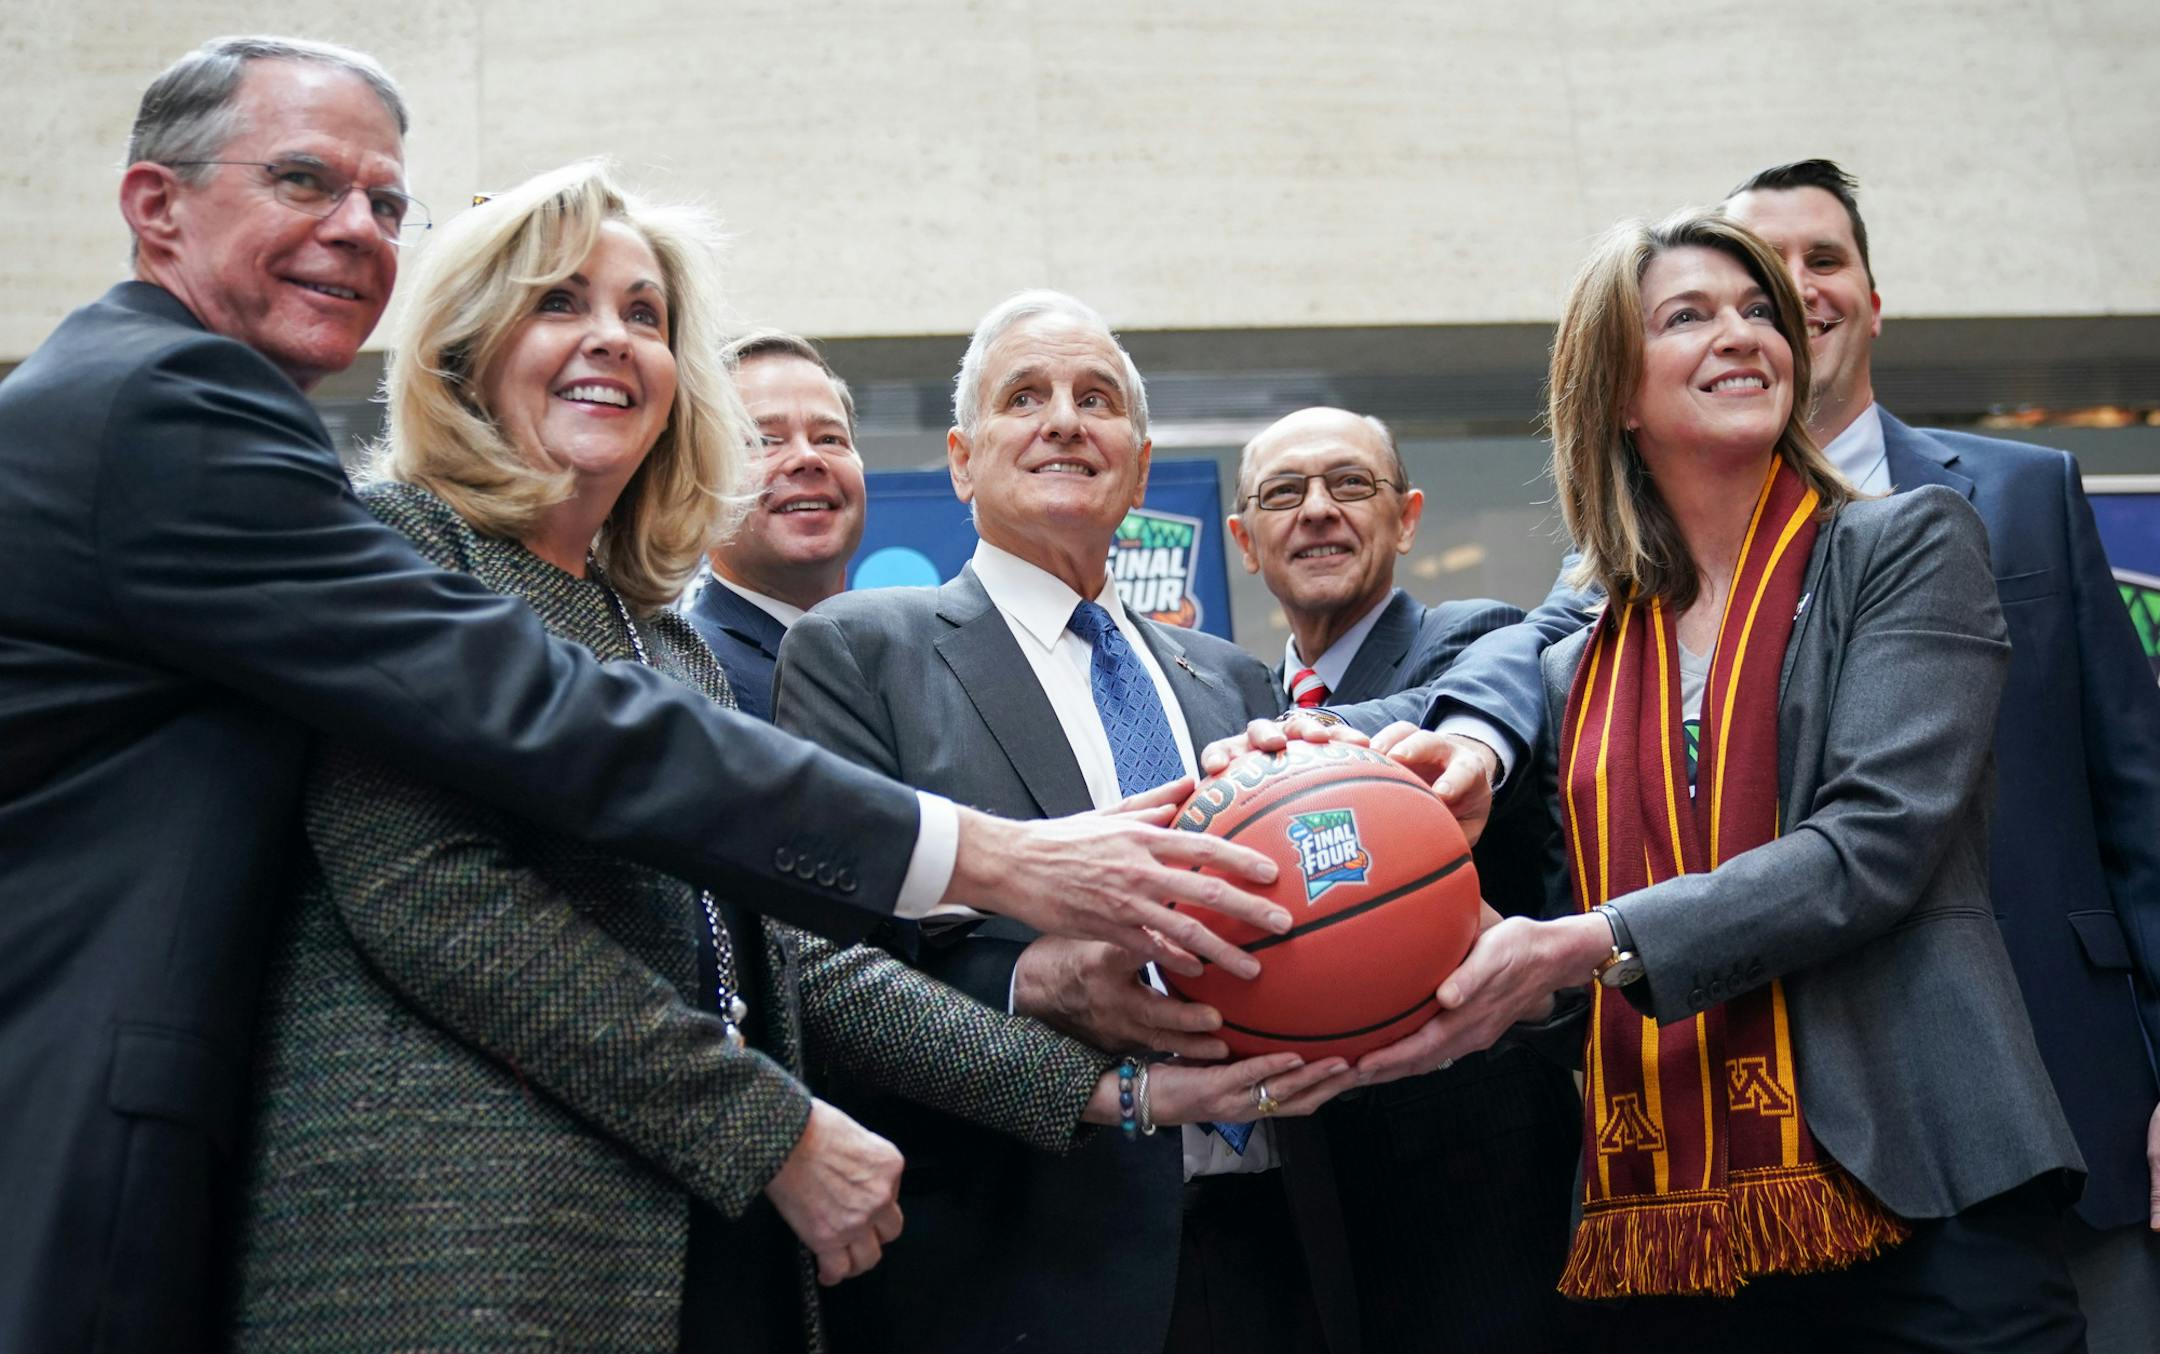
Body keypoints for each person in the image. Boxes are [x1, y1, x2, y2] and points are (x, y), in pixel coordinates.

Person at [0, 36, 1289, 1353]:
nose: (609, 339)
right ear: (463, 354)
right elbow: (437, 898)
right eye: (558, 302)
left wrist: (1102, 1094)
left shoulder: (664, 643)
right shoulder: (397, 539)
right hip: (456, 1263)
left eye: (647, 315)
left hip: (702, 1253)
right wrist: (780, 1116)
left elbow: (790, 961)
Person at [1397, 210, 2087, 1349]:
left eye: (1758, 310)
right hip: (1671, 1232)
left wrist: (1576, 942)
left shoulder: (1907, 546)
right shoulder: (1583, 653)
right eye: (1688, 315)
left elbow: (1872, 846)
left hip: (1926, 1186)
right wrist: (1491, 973)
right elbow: (1582, 933)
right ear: (1617, 392)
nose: (1746, 333)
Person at [773, 291, 1363, 1353]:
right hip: (1022, 1263)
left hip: (1278, 1237)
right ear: (962, 460)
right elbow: (818, 968)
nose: (1062, 421)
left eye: (1096, 400)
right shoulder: (859, 651)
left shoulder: (1236, 682)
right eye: (1024, 397)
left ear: (1137, 467)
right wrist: (1027, 980)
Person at [1725, 159, 2160, 1353]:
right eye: (1764, 270)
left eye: (1826, 259)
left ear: (1872, 297)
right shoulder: (1670, 557)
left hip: (2064, 1081)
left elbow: (2142, 797)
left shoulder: (2025, 492)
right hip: (1788, 1128)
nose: (1799, 288)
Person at [1226, 406, 1585, 1350]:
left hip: (1474, 1183)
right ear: (1245, 540)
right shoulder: (1237, 701)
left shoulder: (1476, 648)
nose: (1317, 512)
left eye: (1351, 485)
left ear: (1408, 517)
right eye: (1284, 493)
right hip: (1297, 1194)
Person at [685, 330, 865, 719]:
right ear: (697, 484)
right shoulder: (686, 672)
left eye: (830, 438)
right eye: (765, 440)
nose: (808, 457)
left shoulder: (905, 663)